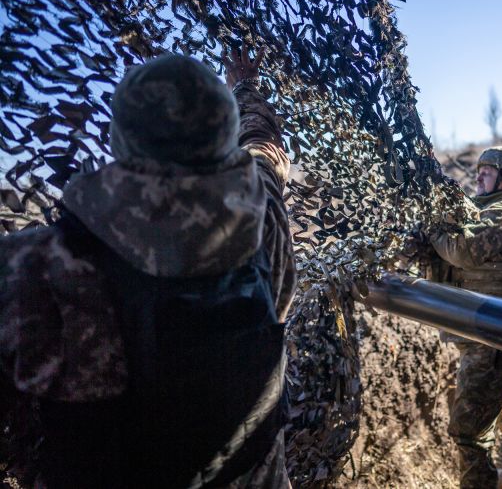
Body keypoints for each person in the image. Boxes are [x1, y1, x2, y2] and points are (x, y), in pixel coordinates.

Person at [0, 49, 296, 488]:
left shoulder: (30, 267)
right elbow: (264, 153)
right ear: (223, 136)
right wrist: (245, 87)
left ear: (119, 140)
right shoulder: (262, 223)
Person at [427, 146, 502, 489]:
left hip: (490, 342)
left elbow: (462, 249)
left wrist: (433, 229)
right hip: (496, 335)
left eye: (487, 170)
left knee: (467, 431)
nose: (478, 175)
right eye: (478, 169)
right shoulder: (497, 212)